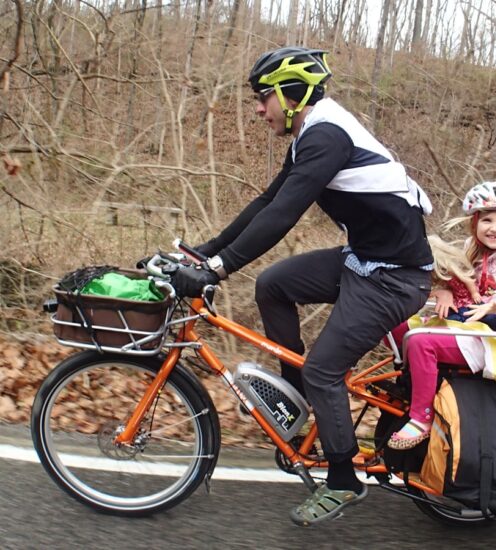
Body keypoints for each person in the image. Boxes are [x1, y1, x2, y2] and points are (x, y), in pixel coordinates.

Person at [170, 46, 434, 526]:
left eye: (263, 97)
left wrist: (218, 269)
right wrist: (204, 253)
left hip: (395, 280)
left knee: (325, 370)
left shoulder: (327, 135)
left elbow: (283, 214)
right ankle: (298, 407)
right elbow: (268, 200)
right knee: (273, 284)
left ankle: (342, 480)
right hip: (364, 261)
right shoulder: (315, 132)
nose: (258, 108)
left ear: (292, 95)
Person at [388, 182, 496, 449]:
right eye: (487, 220)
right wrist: (444, 290)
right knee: (396, 325)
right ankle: (412, 385)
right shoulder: (471, 247)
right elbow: (458, 281)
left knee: (422, 341)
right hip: (466, 321)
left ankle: (421, 418)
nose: (495, 228)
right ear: (474, 223)